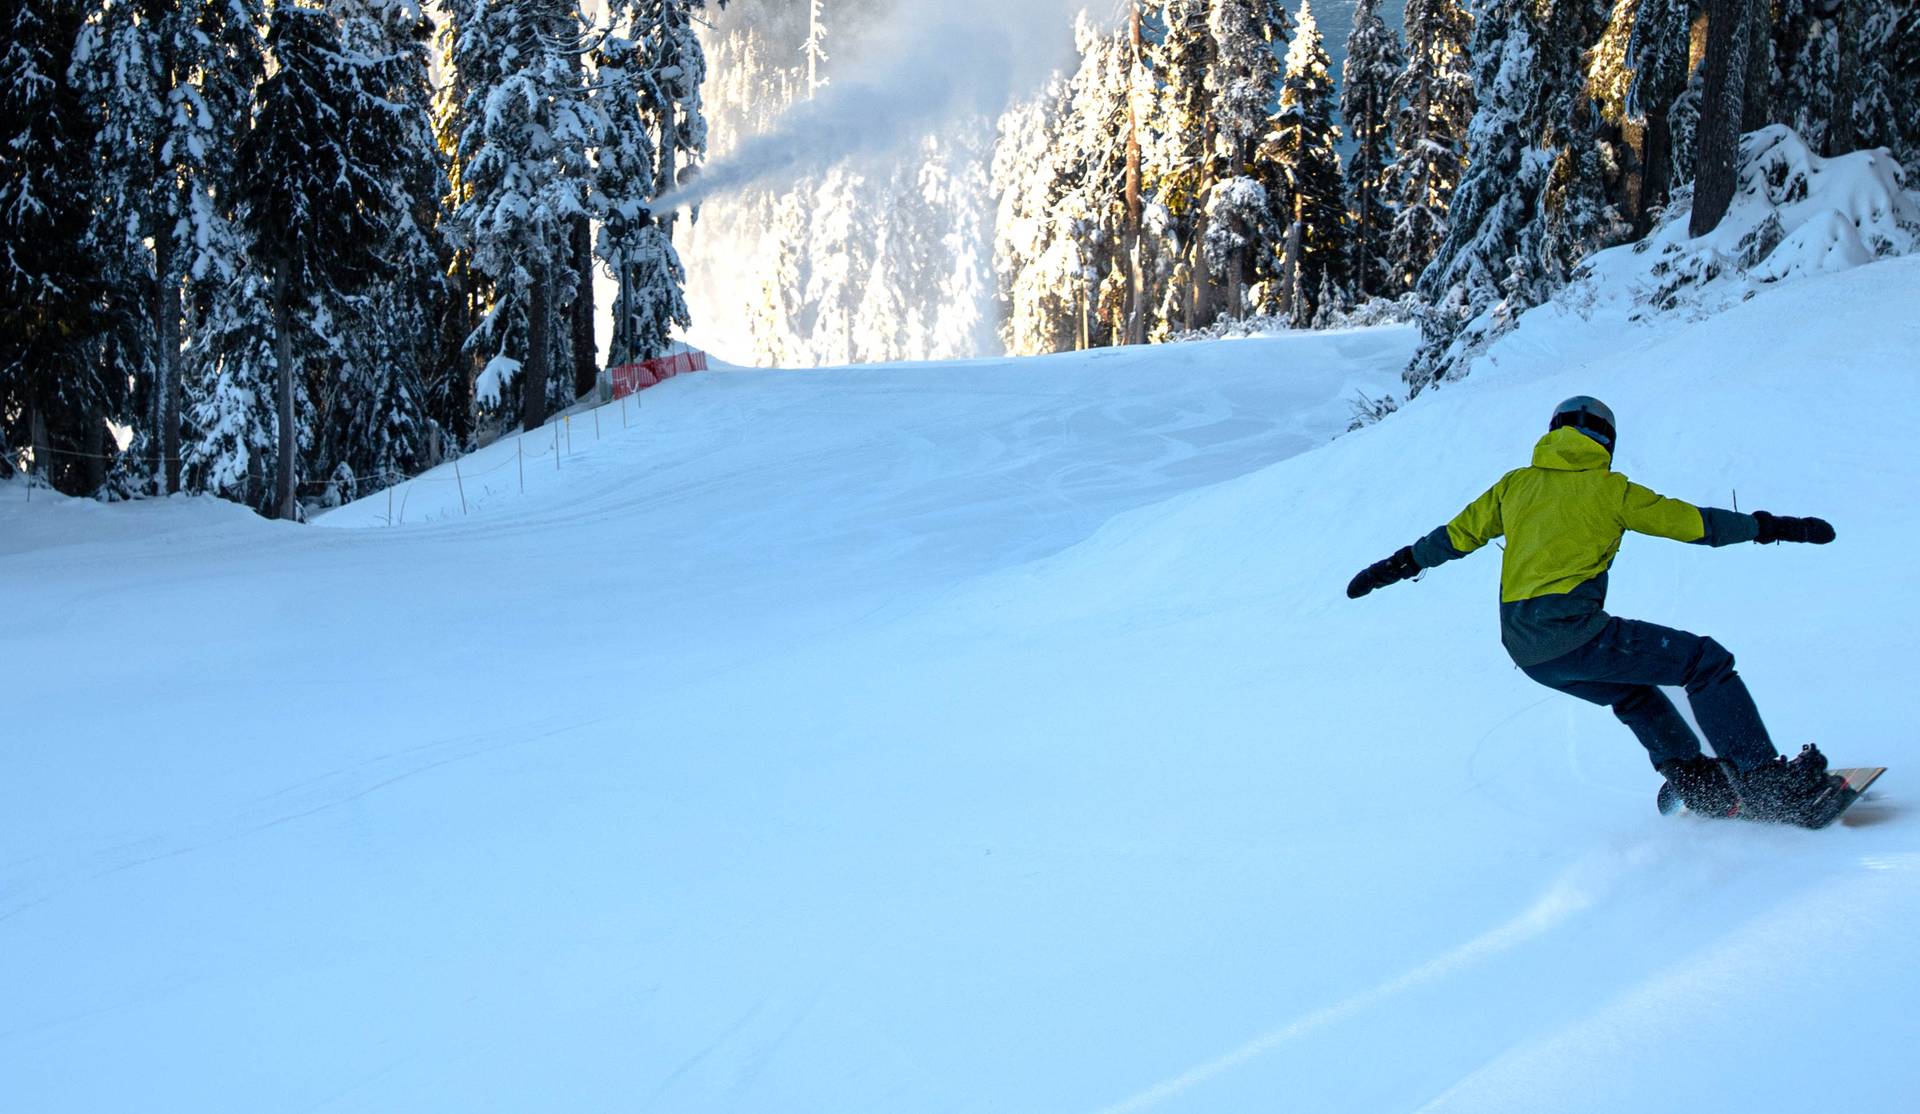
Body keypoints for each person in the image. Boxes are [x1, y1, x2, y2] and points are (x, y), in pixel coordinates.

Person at [1346, 396, 1837, 819]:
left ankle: (1697, 782)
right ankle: (1765, 782)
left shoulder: (1515, 486)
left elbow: (1450, 539)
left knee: (1633, 693)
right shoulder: (1611, 490)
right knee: (1705, 662)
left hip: (1529, 652)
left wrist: (1390, 567)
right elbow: (1696, 525)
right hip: (1575, 633)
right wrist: (1774, 526)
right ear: (1607, 441)